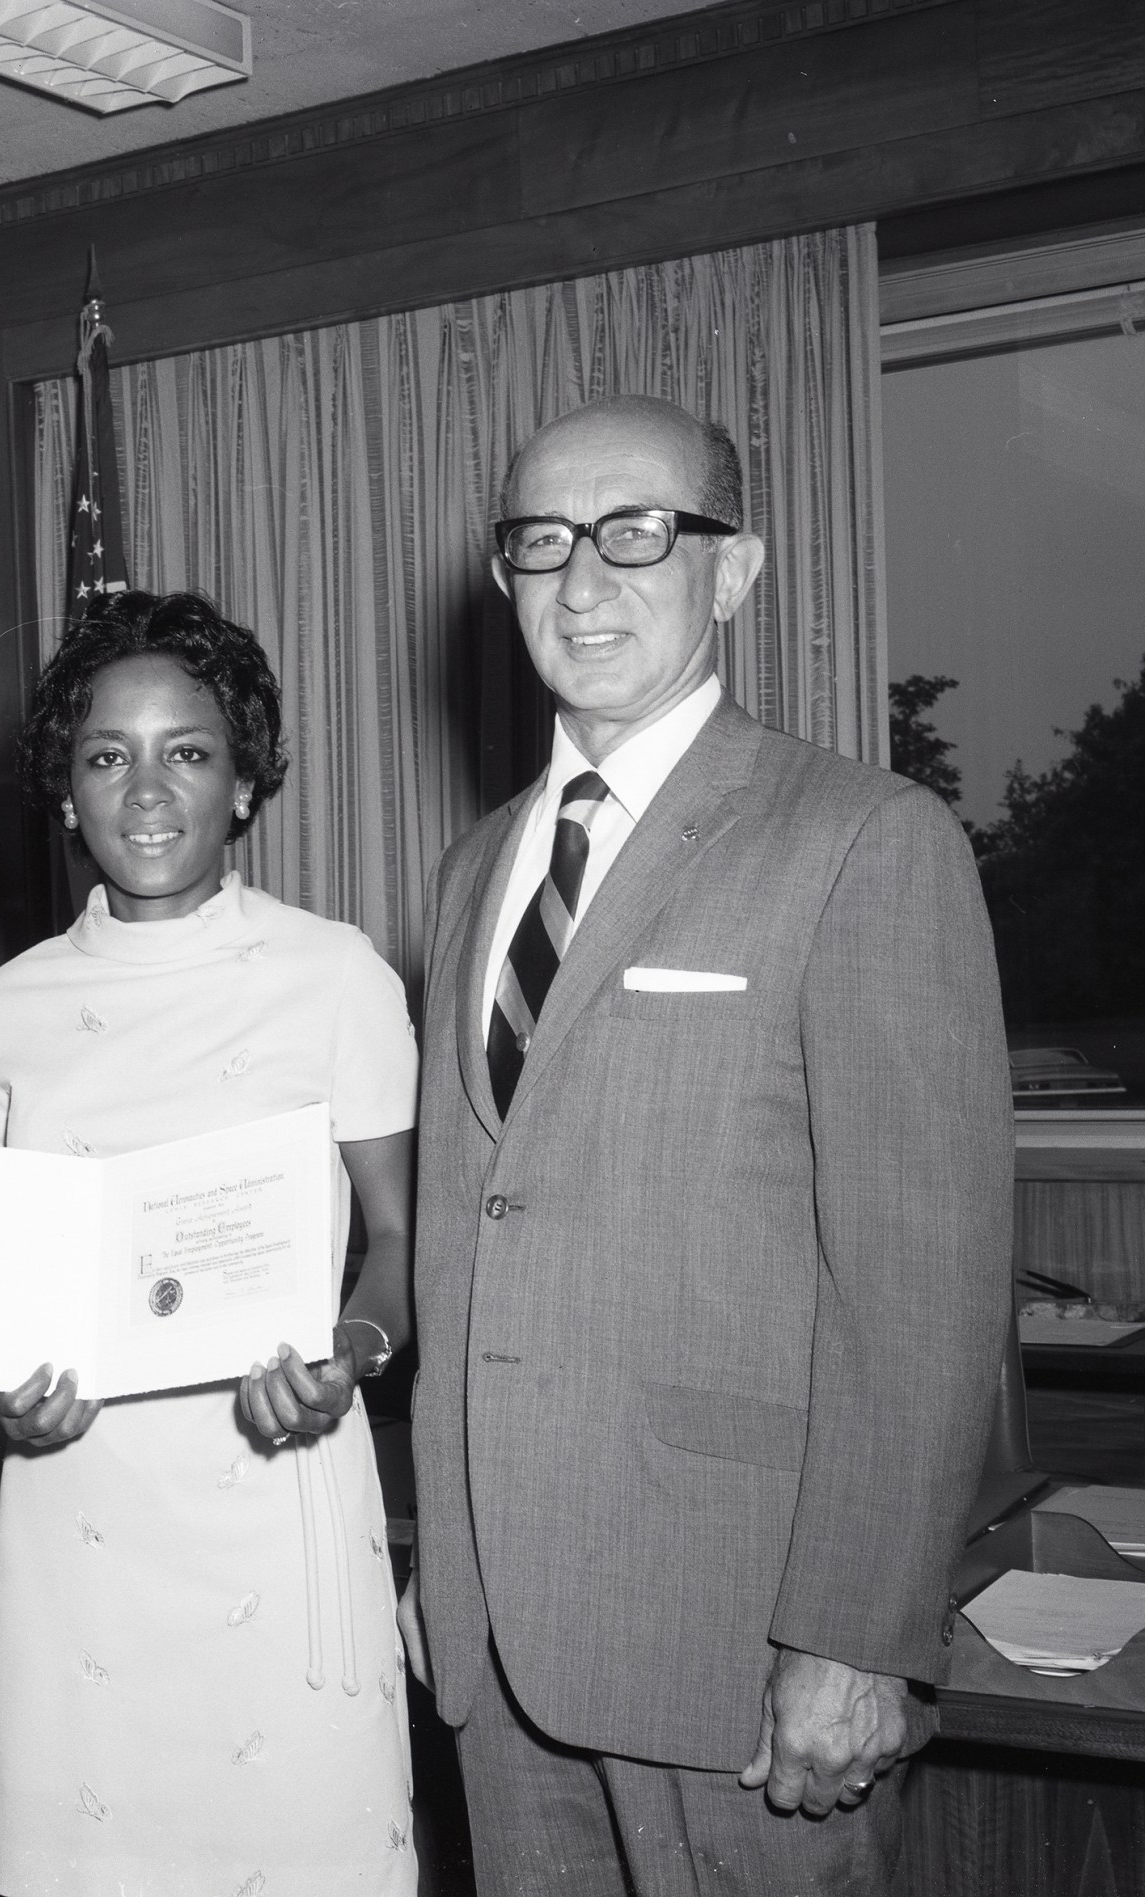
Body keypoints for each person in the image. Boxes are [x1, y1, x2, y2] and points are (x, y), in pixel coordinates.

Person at [404, 393, 1012, 1896]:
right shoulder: (477, 863)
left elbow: (919, 1287)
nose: (584, 581)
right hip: (498, 1643)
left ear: (734, 570)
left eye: (638, 533)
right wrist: (444, 1555)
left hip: (730, 1643)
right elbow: (472, 1232)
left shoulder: (865, 840)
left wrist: (859, 1633)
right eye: (542, 541)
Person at [0, 590, 420, 1894]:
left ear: (246, 786)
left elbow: (400, 1241)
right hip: (80, 1520)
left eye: (189, 751)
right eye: (108, 755)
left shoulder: (338, 976)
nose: (147, 790)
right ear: (66, 793)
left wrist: (352, 1346)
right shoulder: (12, 1005)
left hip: (274, 1493)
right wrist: (6, 1398)